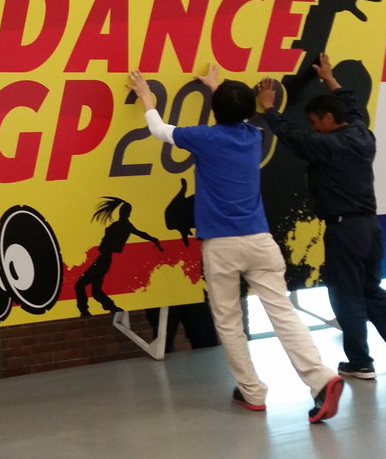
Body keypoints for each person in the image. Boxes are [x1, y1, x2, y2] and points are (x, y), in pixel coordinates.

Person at [127, 65, 344, 424]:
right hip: (260, 241)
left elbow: (158, 129)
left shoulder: (204, 137)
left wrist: (147, 96)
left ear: (216, 109)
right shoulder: (253, 135)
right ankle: (321, 378)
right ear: (247, 110)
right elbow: (234, 112)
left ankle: (252, 391)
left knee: (228, 320)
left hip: (222, 245)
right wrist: (218, 88)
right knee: (283, 313)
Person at [257, 53, 386, 379]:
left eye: (315, 121)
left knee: (345, 295)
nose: (313, 127)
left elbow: (293, 136)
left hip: (344, 230)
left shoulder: (329, 145)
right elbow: (353, 108)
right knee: (371, 289)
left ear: (327, 118)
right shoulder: (363, 133)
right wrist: (331, 80)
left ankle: (360, 362)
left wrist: (269, 108)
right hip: (370, 227)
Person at [75, 197, 162, 316]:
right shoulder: (124, 225)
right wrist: (153, 239)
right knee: (95, 290)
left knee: (80, 285)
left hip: (103, 259)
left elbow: (141, 233)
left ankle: (86, 310)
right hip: (103, 259)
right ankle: (111, 307)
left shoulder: (125, 225)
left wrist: (153, 239)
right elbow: (140, 233)